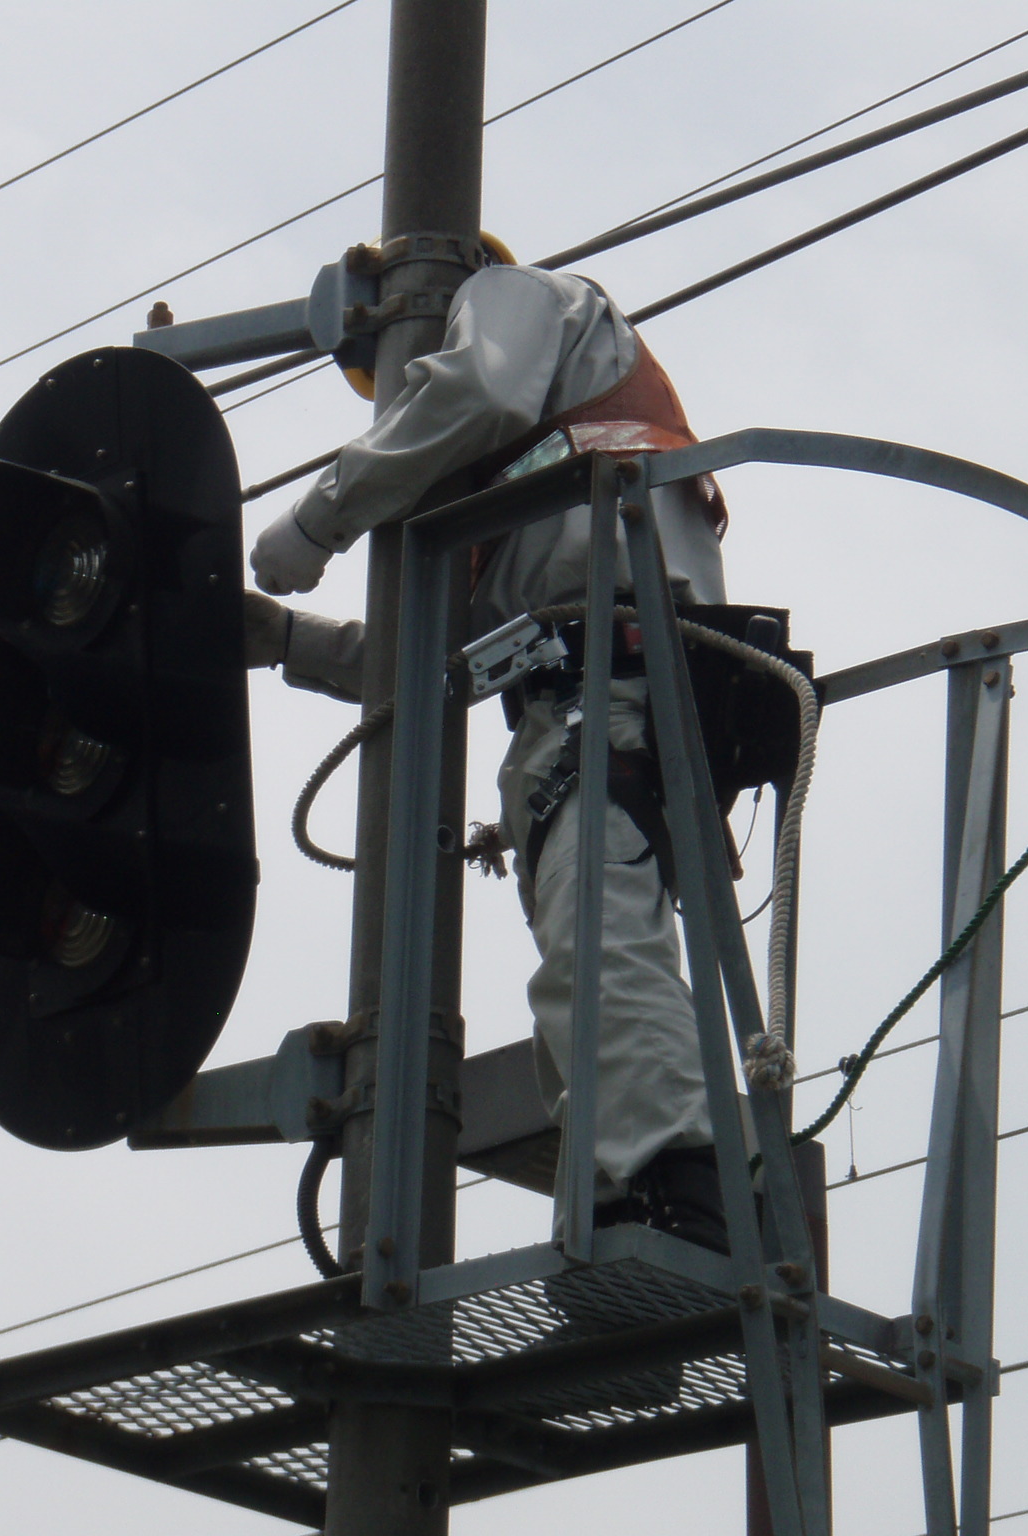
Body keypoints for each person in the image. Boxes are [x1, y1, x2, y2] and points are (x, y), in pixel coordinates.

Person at [245, 242, 732, 1251]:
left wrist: (320, 517)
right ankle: (621, 1199)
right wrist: (283, 644)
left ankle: (679, 1191)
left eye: (399, 386)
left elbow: (476, 392)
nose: (403, 410)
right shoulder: (514, 506)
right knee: (581, 945)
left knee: (598, 936)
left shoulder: (523, 301)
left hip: (615, 669)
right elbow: (428, 659)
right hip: (580, 691)